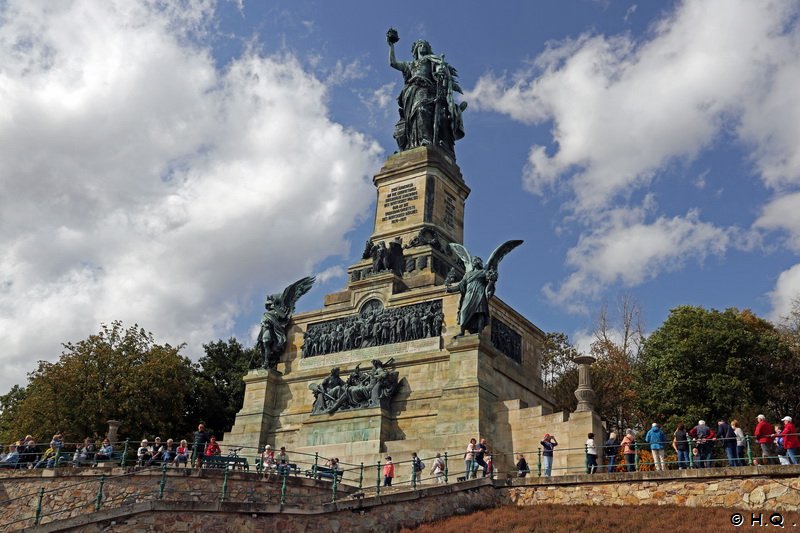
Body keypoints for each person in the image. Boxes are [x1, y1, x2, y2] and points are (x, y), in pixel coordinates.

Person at [387, 32, 466, 156]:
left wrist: (440, 71)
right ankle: (413, 144)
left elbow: (440, 72)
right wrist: (391, 46)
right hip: (411, 92)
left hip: (427, 89)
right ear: (415, 50)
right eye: (419, 45)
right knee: (411, 119)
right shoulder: (410, 64)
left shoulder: (430, 60)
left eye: (424, 45)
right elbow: (393, 63)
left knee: (422, 110)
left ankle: (425, 139)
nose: (422, 47)